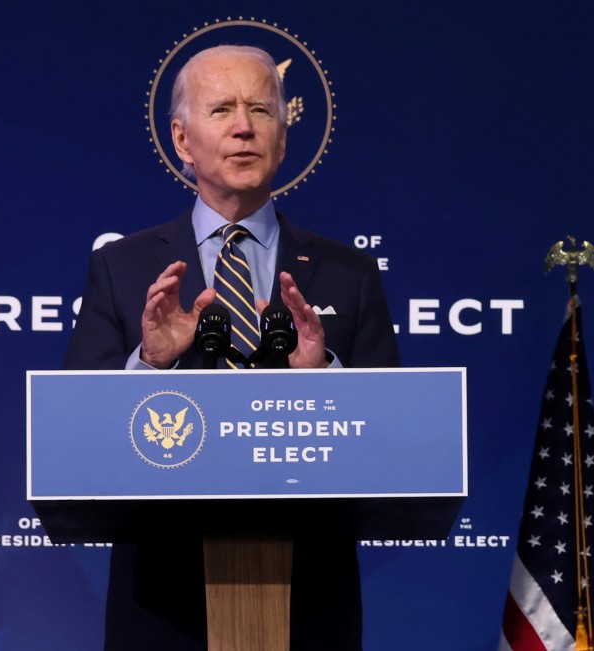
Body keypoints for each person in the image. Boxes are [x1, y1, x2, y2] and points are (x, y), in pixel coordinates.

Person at [64, 44, 399, 650]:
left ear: (283, 138)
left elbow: (393, 440)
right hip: (162, 596)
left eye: (261, 110)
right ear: (182, 140)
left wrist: (323, 373)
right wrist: (151, 363)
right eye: (221, 109)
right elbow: (78, 441)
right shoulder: (121, 266)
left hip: (310, 595)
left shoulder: (348, 273)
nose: (244, 126)